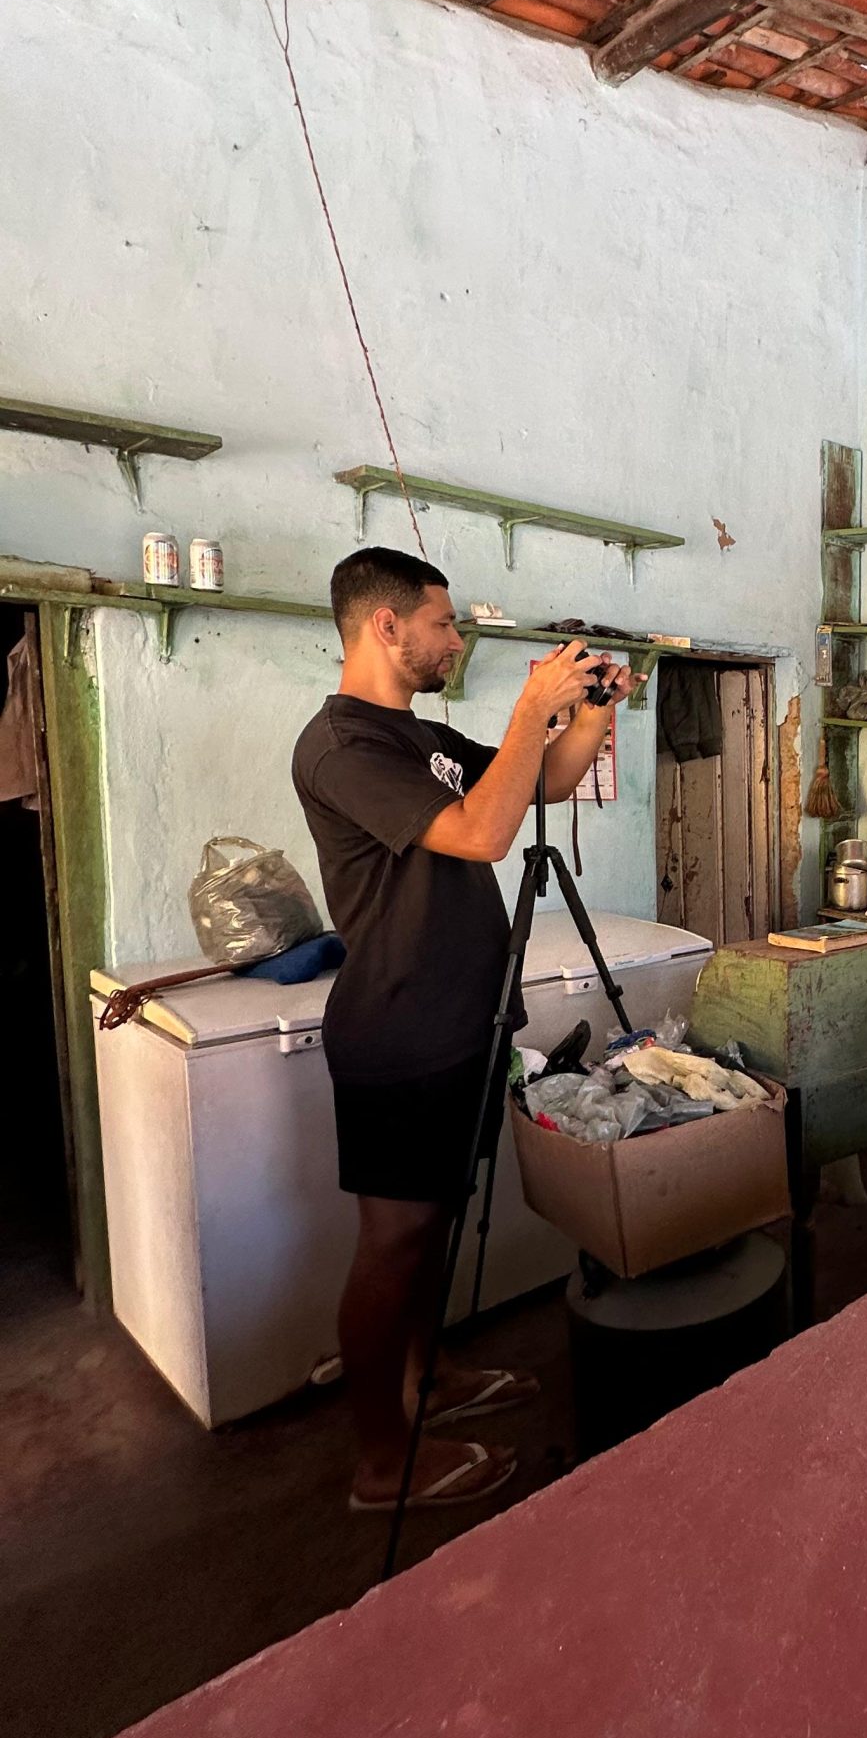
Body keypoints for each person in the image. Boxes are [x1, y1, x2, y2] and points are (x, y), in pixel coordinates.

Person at [292, 547, 631, 1514]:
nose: (457, 638)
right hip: (399, 1032)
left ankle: (423, 1381)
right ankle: (377, 1460)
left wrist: (596, 707)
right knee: (394, 1238)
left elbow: (547, 786)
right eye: (444, 623)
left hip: (466, 1021)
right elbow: (485, 834)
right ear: (386, 627)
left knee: (433, 1222)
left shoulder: (421, 737)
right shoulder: (339, 747)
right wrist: (530, 708)